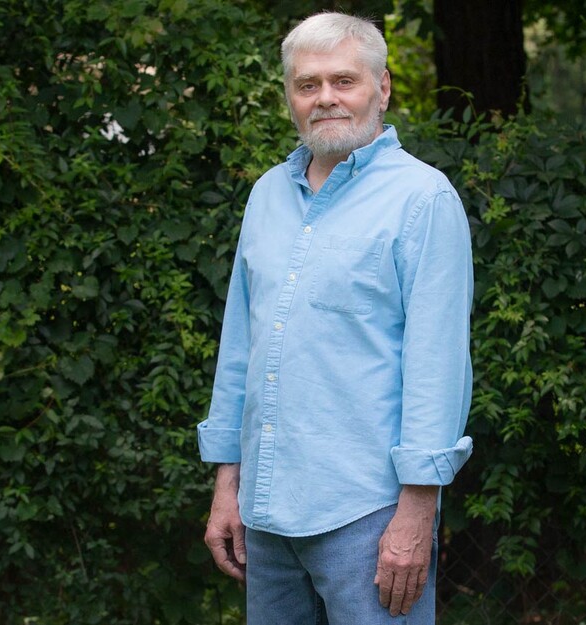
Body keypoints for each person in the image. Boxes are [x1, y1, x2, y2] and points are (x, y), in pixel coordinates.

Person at [196, 11, 474, 625]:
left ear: (383, 87)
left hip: (369, 514)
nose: (325, 98)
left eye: (343, 81)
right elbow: (239, 345)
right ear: (290, 97)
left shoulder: (424, 199)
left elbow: (436, 366)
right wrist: (227, 485)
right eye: (307, 84)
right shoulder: (267, 193)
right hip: (264, 514)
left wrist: (417, 514)